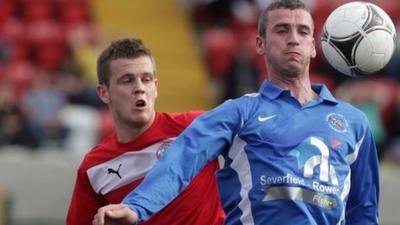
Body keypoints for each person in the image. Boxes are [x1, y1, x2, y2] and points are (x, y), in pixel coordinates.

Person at [93, 1, 380, 225]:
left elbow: (364, 208)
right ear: (260, 44)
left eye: (303, 31)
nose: (293, 39)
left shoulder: (354, 123)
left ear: (314, 46)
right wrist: (136, 206)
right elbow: (184, 155)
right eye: (281, 30)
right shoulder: (239, 112)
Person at [66, 38, 225, 225]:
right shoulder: (94, 167)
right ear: (104, 93)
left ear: (155, 87)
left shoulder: (196, 127)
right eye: (127, 81)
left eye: (146, 79)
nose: (140, 88)